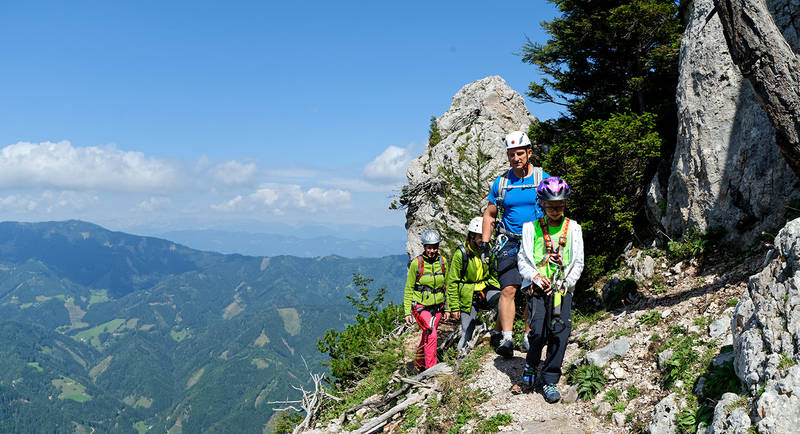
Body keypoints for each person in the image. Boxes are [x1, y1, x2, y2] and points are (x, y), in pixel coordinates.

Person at [480, 130, 549, 358]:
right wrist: (485, 243)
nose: (516, 158)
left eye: (520, 153)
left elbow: (556, 207)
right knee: (508, 289)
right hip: (509, 241)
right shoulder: (502, 183)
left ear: (529, 152)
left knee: (532, 290)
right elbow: (489, 215)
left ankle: (528, 336)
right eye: (511, 154)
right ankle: (507, 339)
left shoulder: (542, 179)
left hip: (535, 242)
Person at [517, 176, 584, 403]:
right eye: (550, 206)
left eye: (559, 206)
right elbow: (523, 260)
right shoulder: (531, 229)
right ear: (542, 204)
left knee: (559, 332)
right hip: (538, 289)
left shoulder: (574, 229)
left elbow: (579, 262)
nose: (555, 210)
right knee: (538, 331)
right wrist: (535, 277)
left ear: (565, 204)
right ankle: (531, 364)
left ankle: (550, 380)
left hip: (561, 289)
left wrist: (566, 282)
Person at [445, 217, 502, 353]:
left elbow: (494, 273)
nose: (484, 239)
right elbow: (452, 282)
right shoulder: (462, 254)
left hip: (485, 291)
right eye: (481, 236)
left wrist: (492, 287)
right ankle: (460, 358)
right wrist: (453, 307)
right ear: (472, 235)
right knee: (466, 332)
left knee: (504, 301)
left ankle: (496, 336)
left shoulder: (488, 250)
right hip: (467, 297)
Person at [404, 229, 450, 371]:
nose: (432, 250)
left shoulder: (443, 261)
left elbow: (447, 286)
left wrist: (448, 308)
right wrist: (407, 312)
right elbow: (408, 288)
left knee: (428, 334)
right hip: (421, 306)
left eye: (434, 247)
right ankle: (431, 370)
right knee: (432, 333)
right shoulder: (417, 264)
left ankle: (418, 363)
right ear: (424, 247)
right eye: (429, 247)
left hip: (437, 307)